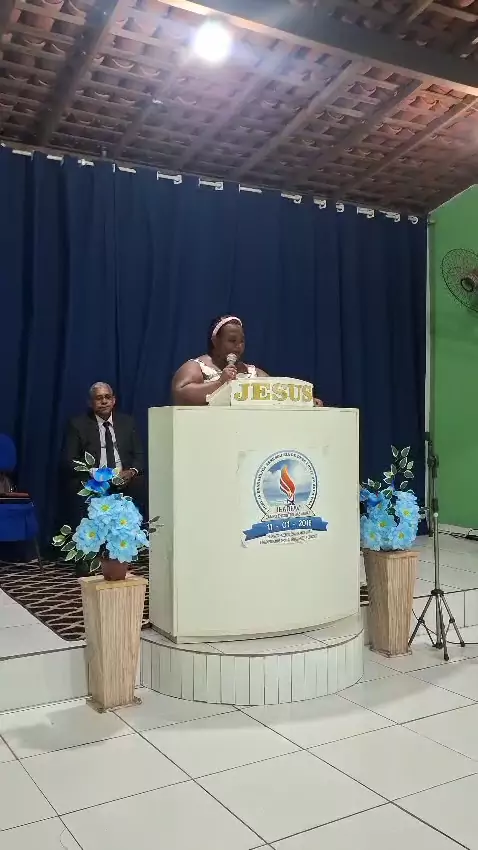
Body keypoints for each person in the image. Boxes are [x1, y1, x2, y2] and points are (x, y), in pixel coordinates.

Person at [61, 383, 146, 544]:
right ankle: (89, 547)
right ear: (90, 403)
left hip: (124, 479)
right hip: (93, 480)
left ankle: (133, 544)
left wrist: (131, 472)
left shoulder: (127, 422)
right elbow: (69, 460)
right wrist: (95, 473)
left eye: (107, 397)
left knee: (142, 484)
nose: (104, 401)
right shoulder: (78, 424)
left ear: (114, 400)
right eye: (99, 398)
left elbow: (139, 456)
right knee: (77, 487)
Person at [172, 315, 323, 405]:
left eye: (242, 341)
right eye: (232, 340)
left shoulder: (253, 372)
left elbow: (277, 392)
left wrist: (307, 401)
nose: (238, 346)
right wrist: (219, 383)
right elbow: (180, 394)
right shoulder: (197, 366)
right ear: (215, 341)